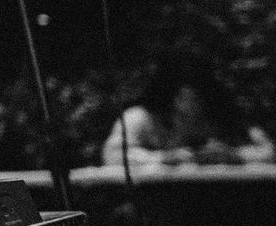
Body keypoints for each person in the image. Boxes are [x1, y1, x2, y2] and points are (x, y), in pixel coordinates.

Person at [102, 57, 274, 167]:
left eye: (198, 97)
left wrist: (233, 155)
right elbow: (113, 156)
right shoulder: (139, 118)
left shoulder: (220, 113)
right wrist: (165, 158)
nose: (192, 105)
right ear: (168, 95)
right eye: (182, 97)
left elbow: (268, 151)